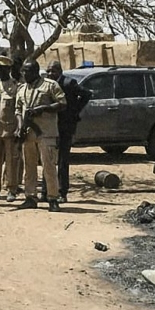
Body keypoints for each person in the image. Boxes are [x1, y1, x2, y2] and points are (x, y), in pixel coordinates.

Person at [15, 59, 66, 212]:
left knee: (48, 166)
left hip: (46, 132)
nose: (24, 74)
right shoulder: (22, 89)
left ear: (35, 72)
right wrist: (19, 127)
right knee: (29, 166)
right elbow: (18, 110)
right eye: (23, 71)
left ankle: (52, 198)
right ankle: (30, 197)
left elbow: (62, 104)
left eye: (27, 71)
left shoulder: (50, 85)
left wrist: (43, 108)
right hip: (28, 133)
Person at [44, 61, 91, 203]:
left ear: (60, 71)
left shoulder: (69, 83)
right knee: (47, 158)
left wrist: (74, 111)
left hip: (65, 126)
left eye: (53, 71)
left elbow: (86, 94)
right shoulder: (46, 84)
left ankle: (62, 192)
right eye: (48, 71)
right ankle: (46, 191)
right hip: (50, 125)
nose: (50, 74)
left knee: (63, 160)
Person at [0, 56, 21, 202]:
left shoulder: (15, 87)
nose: (1, 71)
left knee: (11, 161)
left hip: (10, 129)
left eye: (3, 69)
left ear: (9, 69)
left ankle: (11, 189)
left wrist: (18, 128)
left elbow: (19, 109)